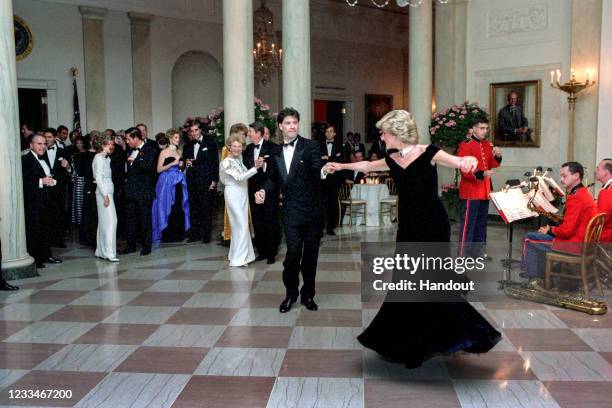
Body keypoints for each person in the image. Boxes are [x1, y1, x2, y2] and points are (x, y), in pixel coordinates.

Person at [326, 109, 500, 368]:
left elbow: (458, 161)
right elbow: (366, 165)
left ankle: (450, 334)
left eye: (384, 133)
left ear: (396, 133)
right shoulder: (392, 158)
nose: (381, 137)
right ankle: (409, 341)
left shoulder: (429, 152)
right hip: (408, 226)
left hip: (433, 225)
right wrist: (340, 165)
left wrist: (469, 162)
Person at [257, 108, 328, 313]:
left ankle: (308, 295)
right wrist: (263, 190)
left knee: (310, 255)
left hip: (312, 210)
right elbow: (272, 179)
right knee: (293, 254)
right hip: (290, 211)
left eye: (295, 122)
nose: (292, 126)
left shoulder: (311, 146)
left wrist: (323, 170)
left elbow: (317, 167)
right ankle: (290, 294)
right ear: (280, 126)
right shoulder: (276, 152)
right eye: (288, 123)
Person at [521, 162, 598, 279]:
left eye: (564, 176)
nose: (561, 180)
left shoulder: (576, 197)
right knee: (538, 236)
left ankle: (533, 279)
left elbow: (567, 232)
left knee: (529, 238)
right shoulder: (583, 193)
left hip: (574, 244)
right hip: (584, 243)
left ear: (576, 176)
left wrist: (550, 229)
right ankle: (542, 276)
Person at [457, 117, 502, 259]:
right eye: (482, 128)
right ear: (474, 129)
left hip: (484, 190)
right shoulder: (466, 144)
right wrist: (482, 173)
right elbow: (464, 168)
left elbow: (493, 164)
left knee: (481, 222)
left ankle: (477, 252)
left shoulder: (487, 144)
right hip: (471, 190)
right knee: (468, 224)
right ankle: (463, 253)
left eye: (486, 128)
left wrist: (498, 156)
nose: (485, 131)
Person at [220, 126, 264, 266]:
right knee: (241, 224)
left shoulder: (239, 160)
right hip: (233, 194)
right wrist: (256, 168)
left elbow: (244, 177)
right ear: (229, 147)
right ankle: (238, 259)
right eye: (234, 146)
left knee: (241, 226)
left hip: (242, 194)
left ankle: (241, 256)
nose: (237, 149)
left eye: (240, 146)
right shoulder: (226, 162)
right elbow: (239, 177)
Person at [21, 134, 62, 268]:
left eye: (44, 143)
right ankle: (36, 259)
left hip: (46, 200)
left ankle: (46, 255)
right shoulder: (26, 160)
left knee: (46, 228)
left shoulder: (43, 160)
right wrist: (41, 181)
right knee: (35, 230)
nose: (43, 146)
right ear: (31, 145)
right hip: (33, 202)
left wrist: (50, 181)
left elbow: (47, 176)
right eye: (39, 144)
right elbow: (23, 181)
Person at [244, 121, 281, 263]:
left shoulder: (273, 148)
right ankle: (262, 251)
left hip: (269, 190)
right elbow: (247, 168)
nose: (249, 134)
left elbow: (276, 170)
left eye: (251, 132)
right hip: (253, 190)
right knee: (258, 221)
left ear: (258, 133)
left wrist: (264, 165)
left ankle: (272, 252)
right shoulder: (248, 149)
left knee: (270, 221)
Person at [120, 127, 157, 256]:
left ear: (136, 138)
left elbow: (149, 168)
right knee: (130, 219)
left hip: (144, 191)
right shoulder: (129, 150)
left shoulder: (150, 150)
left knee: (145, 219)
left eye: (128, 139)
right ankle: (130, 246)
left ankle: (146, 246)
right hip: (130, 191)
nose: (127, 141)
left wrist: (134, 162)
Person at [152, 129, 191, 243]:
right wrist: (172, 163)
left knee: (178, 205)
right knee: (167, 205)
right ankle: (167, 234)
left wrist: (185, 165)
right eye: (175, 137)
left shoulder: (179, 152)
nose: (178, 140)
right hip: (167, 181)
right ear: (169, 138)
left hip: (179, 180)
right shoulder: (164, 152)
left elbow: (181, 168)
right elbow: (159, 169)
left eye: (178, 137)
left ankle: (178, 233)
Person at [183, 120, 219, 243]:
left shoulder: (210, 143)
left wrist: (214, 180)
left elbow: (215, 163)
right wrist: (185, 163)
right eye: (192, 131)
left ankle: (206, 236)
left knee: (206, 209)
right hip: (192, 181)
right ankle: (195, 235)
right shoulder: (187, 146)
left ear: (200, 130)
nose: (194, 133)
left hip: (207, 181)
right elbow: (184, 162)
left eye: (196, 130)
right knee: (194, 209)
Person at [92, 133, 119, 262]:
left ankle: (101, 250)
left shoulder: (106, 158)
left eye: (113, 144)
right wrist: (105, 195)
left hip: (108, 190)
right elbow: (98, 178)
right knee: (111, 221)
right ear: (103, 145)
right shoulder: (98, 157)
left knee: (104, 222)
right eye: (110, 144)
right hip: (104, 192)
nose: (112, 146)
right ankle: (108, 252)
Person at [43, 128, 71, 248]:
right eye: (45, 137)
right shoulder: (40, 151)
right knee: (46, 214)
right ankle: (47, 240)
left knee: (59, 214)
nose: (47, 139)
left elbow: (70, 170)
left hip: (59, 188)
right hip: (45, 188)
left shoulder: (63, 151)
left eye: (49, 137)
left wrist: (68, 166)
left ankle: (59, 239)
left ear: (55, 138)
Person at [320, 123, 344, 235]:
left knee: (332, 204)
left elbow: (341, 160)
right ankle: (319, 228)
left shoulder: (340, 146)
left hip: (334, 180)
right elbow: (317, 160)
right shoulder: (319, 145)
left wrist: (327, 158)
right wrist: (331, 158)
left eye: (331, 131)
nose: (328, 133)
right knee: (321, 204)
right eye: (327, 131)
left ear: (334, 133)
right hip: (322, 179)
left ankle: (330, 227)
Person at [76, 134, 98, 246]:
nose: (93, 141)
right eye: (91, 140)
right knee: (89, 211)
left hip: (99, 184)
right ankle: (88, 237)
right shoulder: (83, 155)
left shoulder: (101, 154)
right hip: (89, 185)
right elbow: (81, 172)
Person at [595, 158, 612, 242]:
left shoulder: (608, 191)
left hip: (604, 238)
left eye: (598, 169)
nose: (595, 171)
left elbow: (600, 220)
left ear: (606, 172)